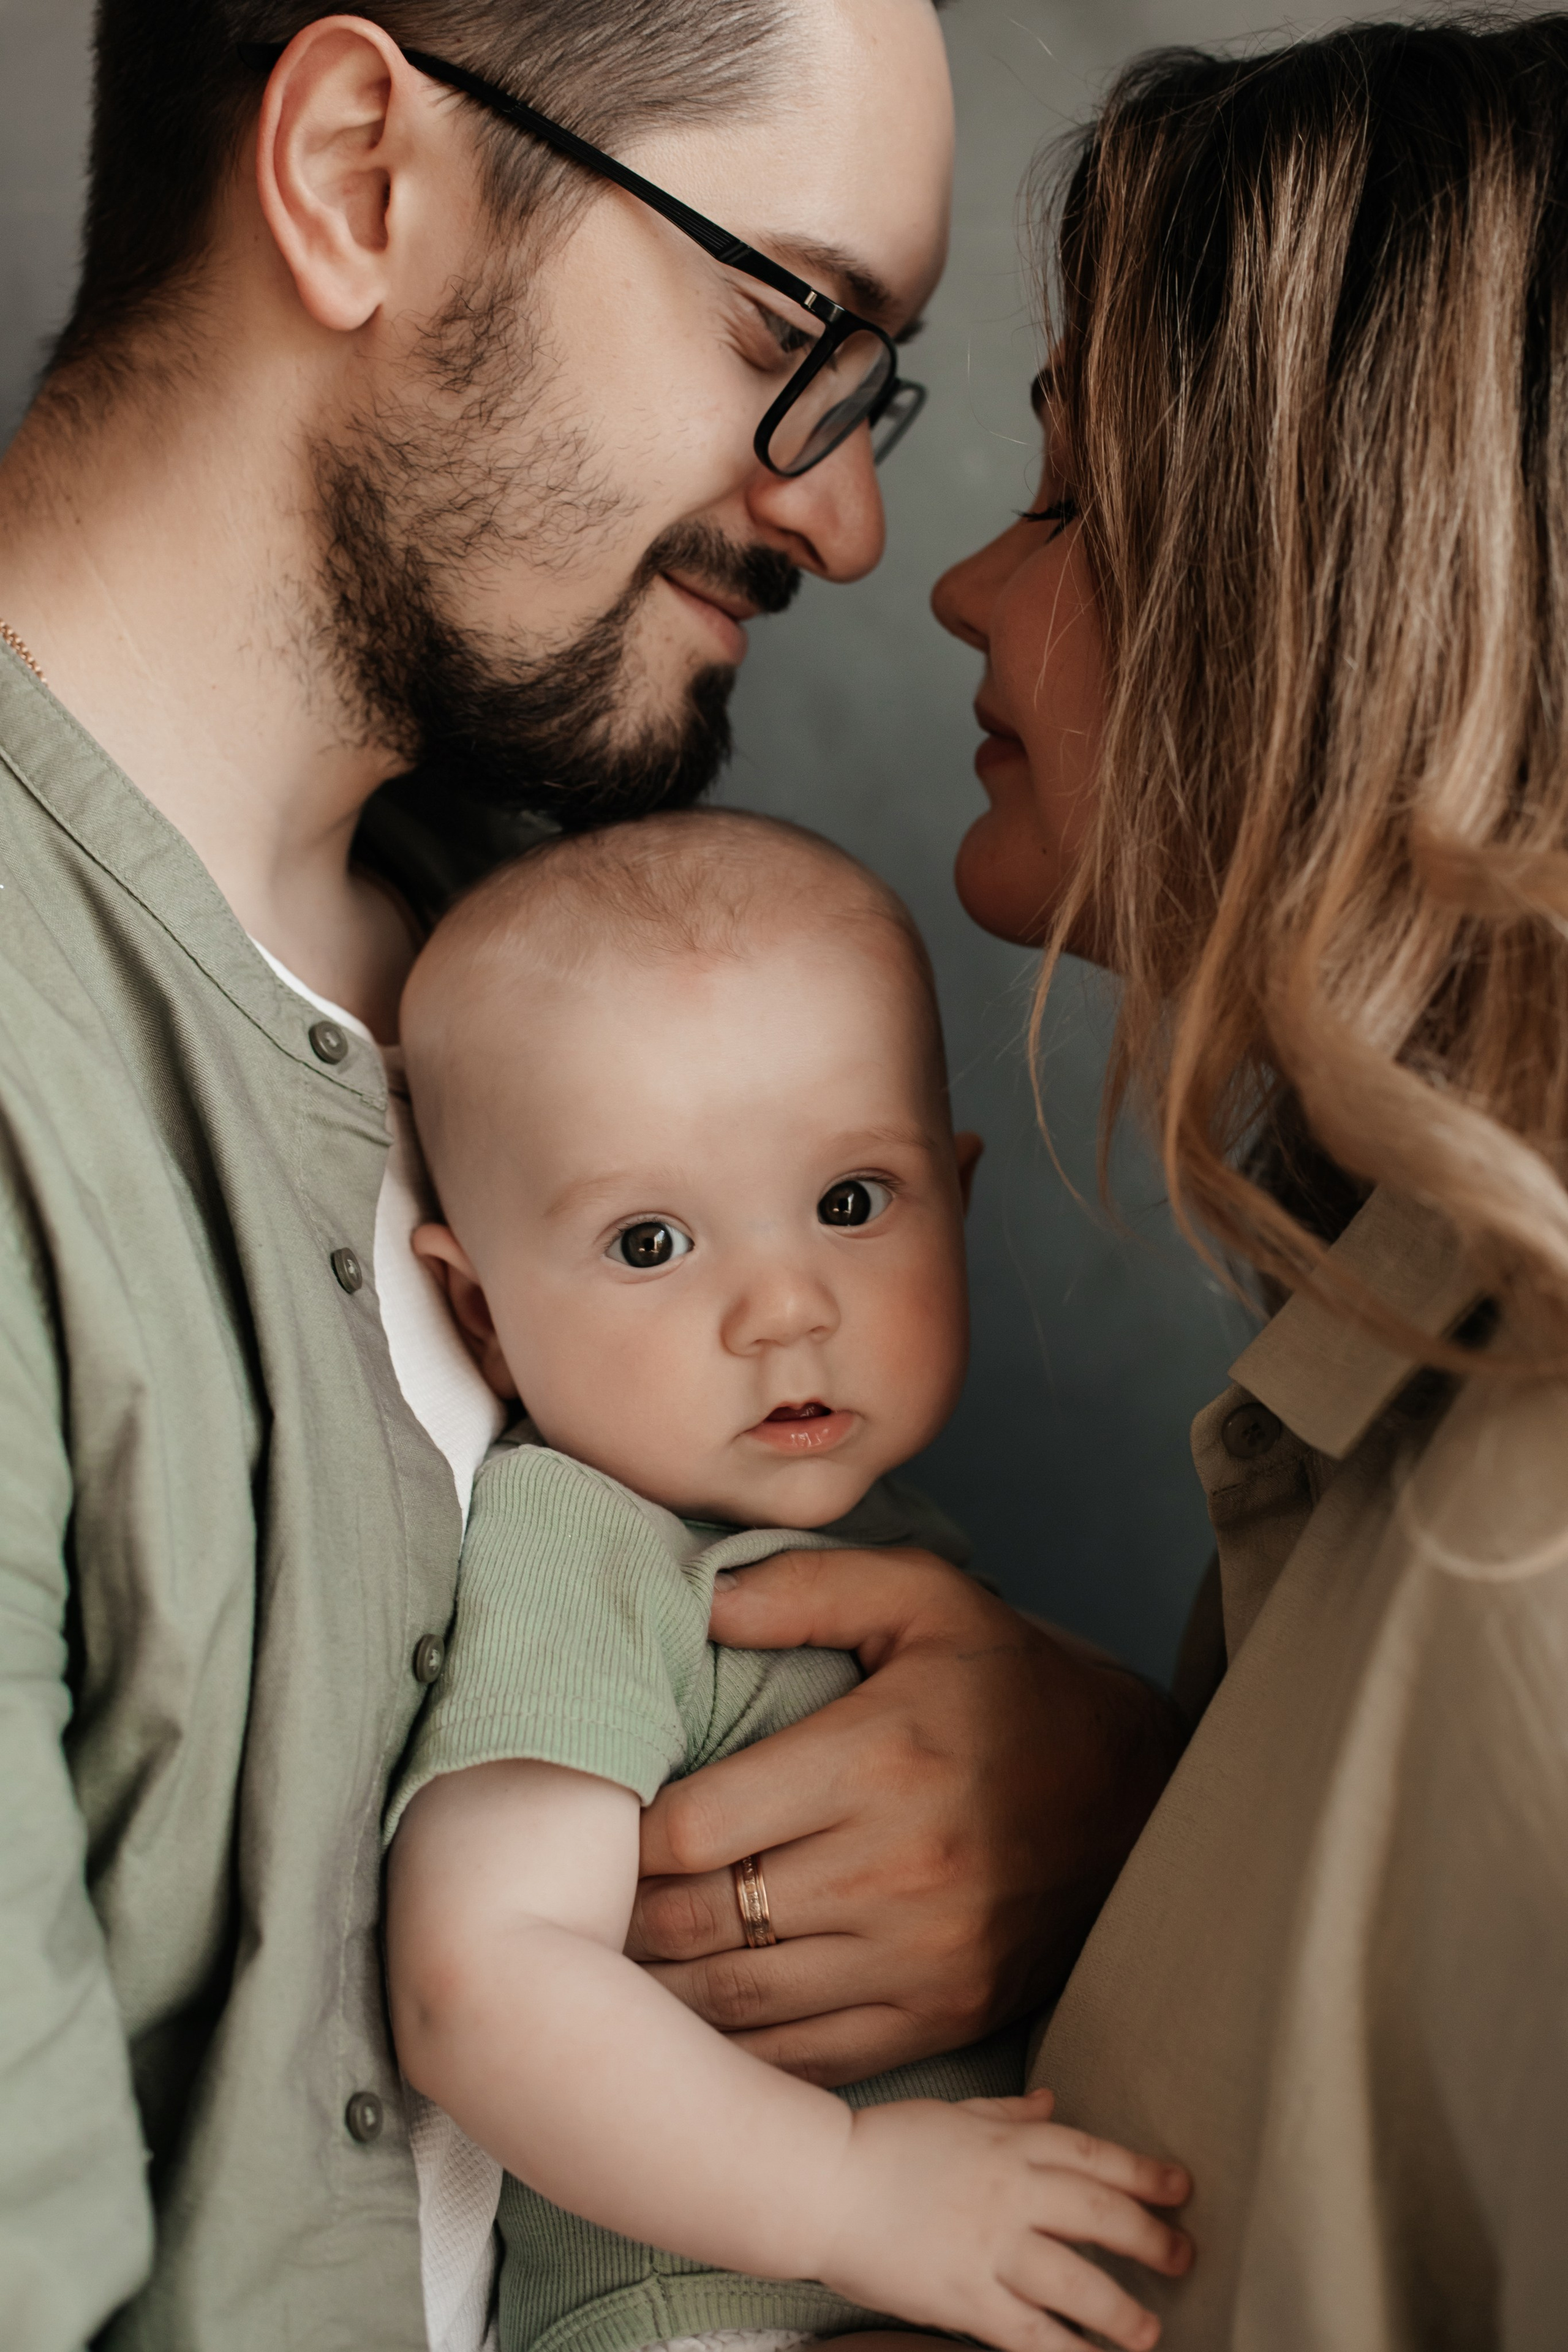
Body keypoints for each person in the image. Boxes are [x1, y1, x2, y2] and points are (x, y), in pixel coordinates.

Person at [0, 6, 1180, 2349]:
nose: (848, 518)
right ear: (356, 172)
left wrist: (1086, 1793)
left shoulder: (559, 957)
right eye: (788, 325)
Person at [931, 14, 1568, 2345]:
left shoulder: (1536, 1552)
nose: (963, 592)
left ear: (1353, 592)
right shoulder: (1407, 1381)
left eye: (1079, 497)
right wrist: (1134, 1788)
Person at [383, 809, 1194, 2352]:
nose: (782, 1309)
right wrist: (844, 2196)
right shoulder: (588, 1546)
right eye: (648, 1240)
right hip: (718, 2306)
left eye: (847, 1202)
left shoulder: (878, 1538)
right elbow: (479, 1979)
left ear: (953, 1197)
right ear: (482, 1315)